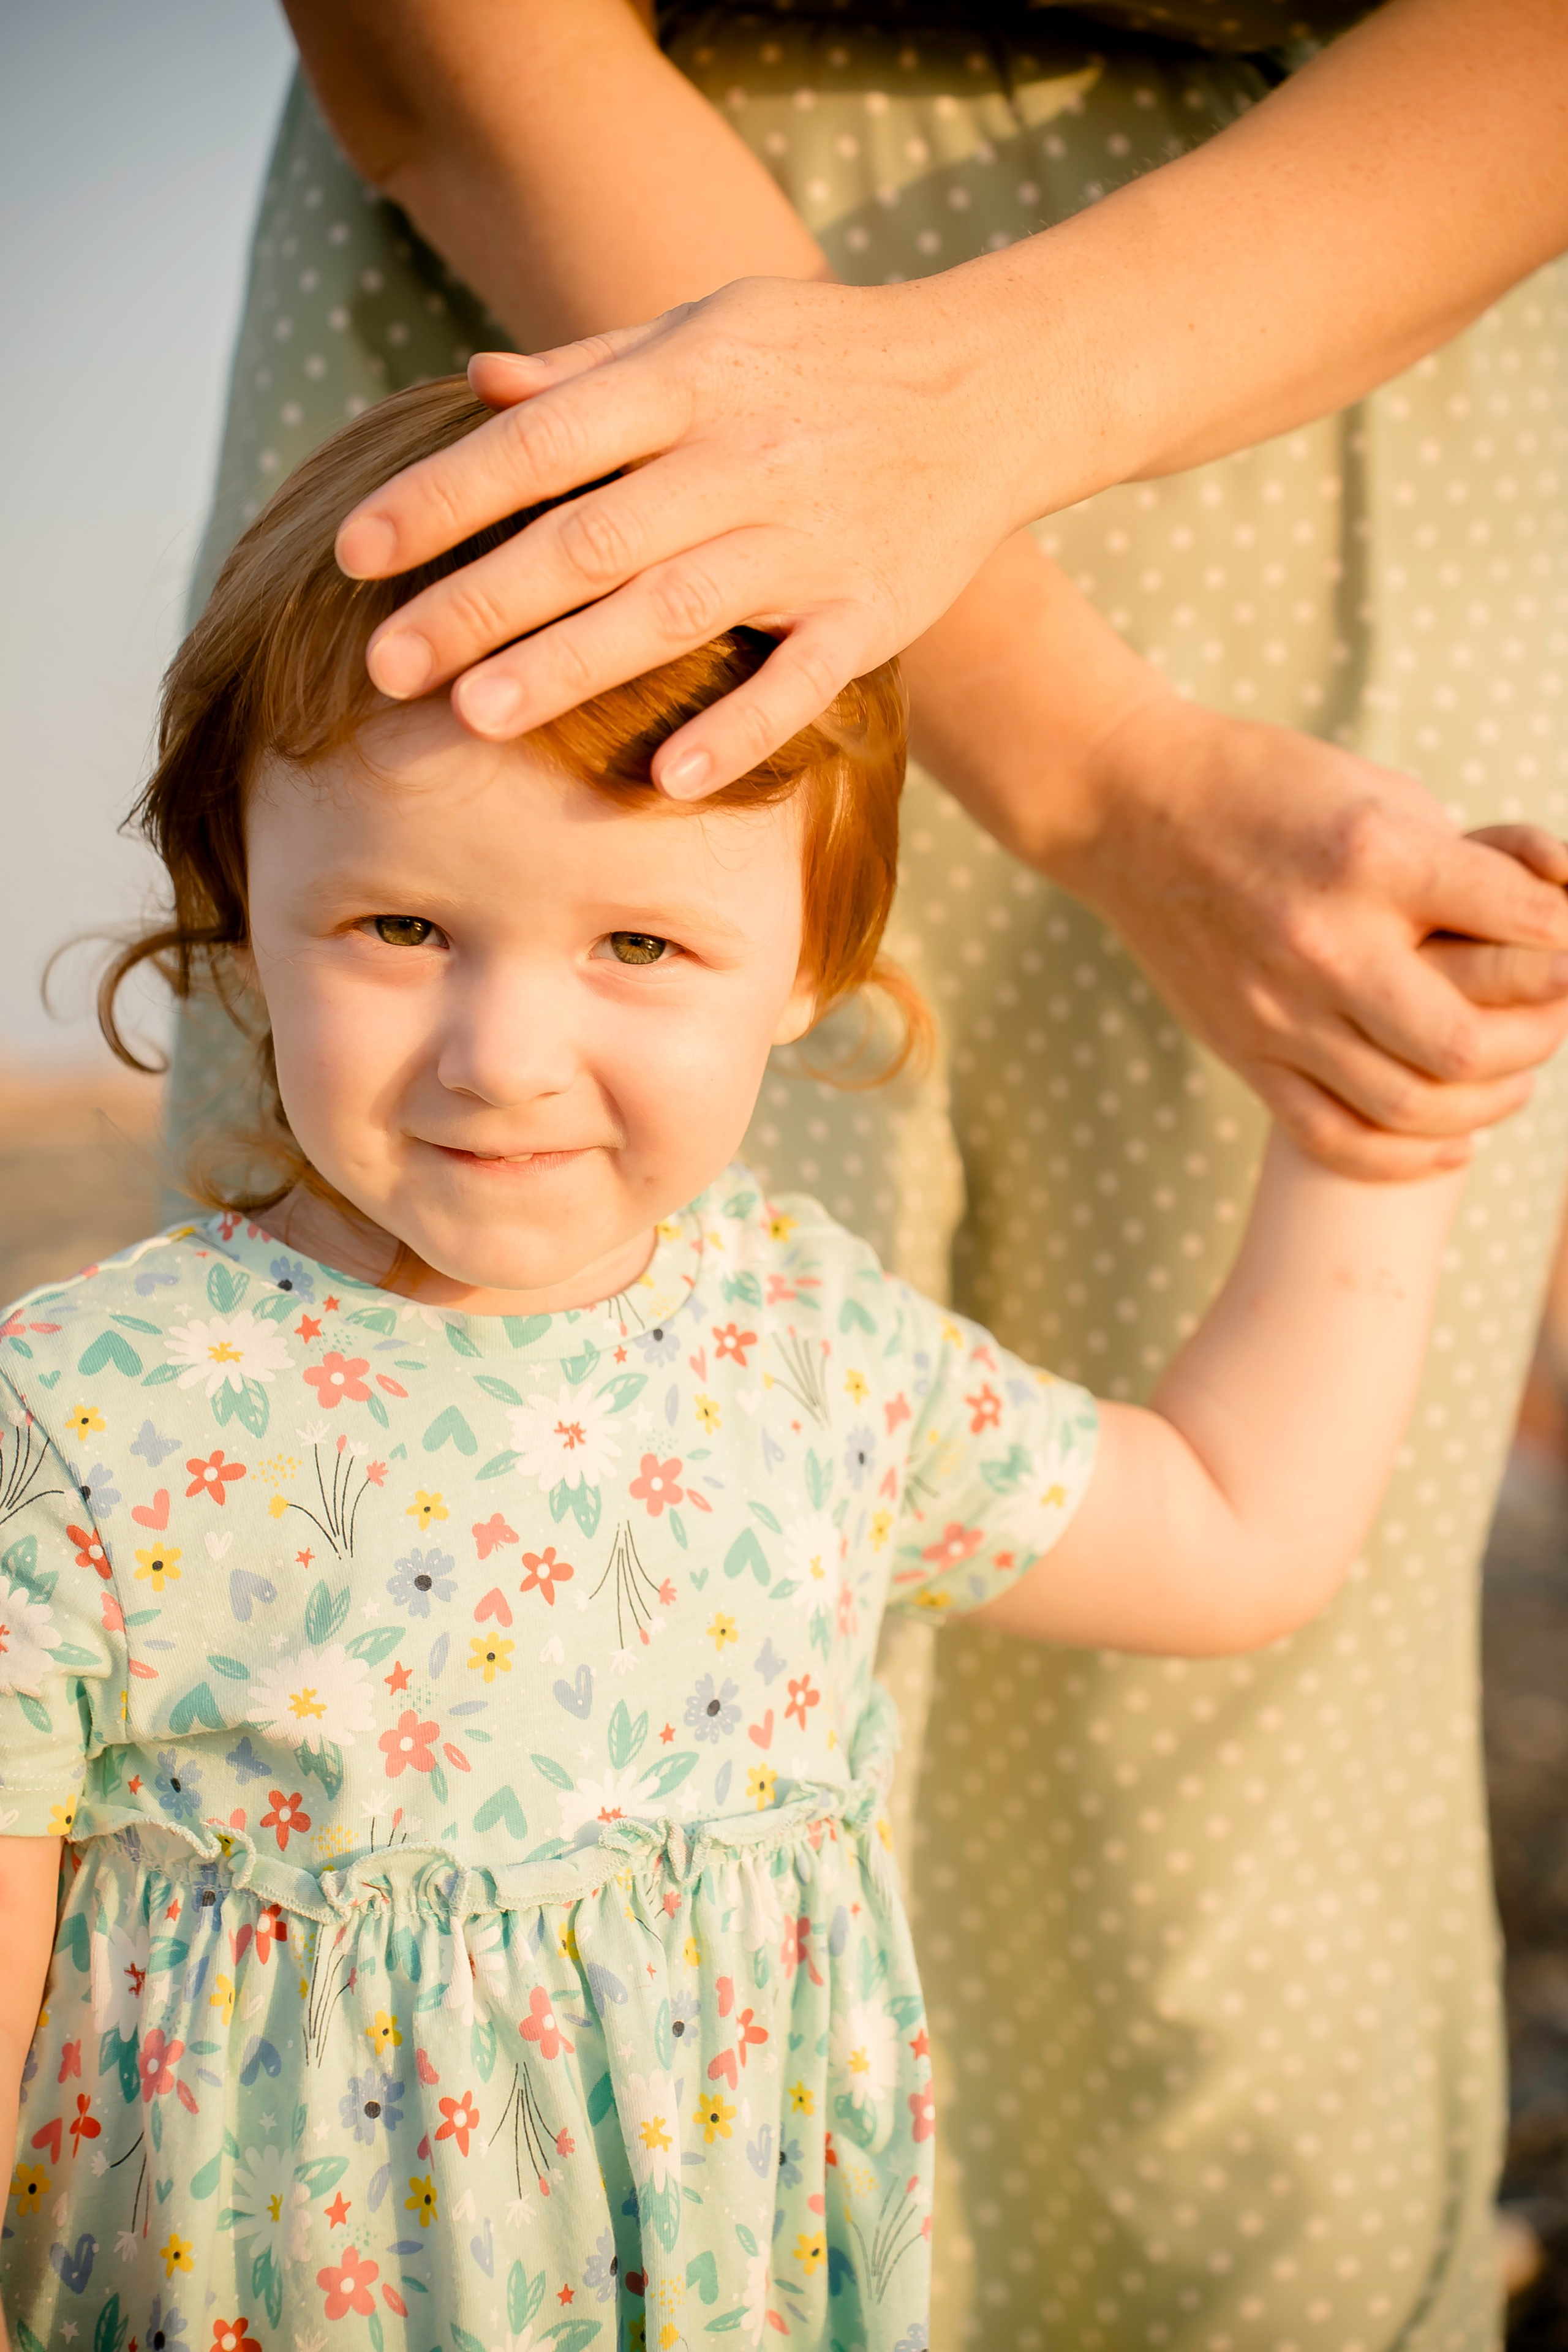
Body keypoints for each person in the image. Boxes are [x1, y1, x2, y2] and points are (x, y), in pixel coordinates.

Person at [165, 3, 1568, 2340]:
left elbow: (1227, 1541)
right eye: (403, 931)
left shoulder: (791, 1355)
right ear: (224, 905)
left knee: (1211, 1915)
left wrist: (1374, 1135)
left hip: (1314, 304)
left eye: (639, 945)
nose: (511, 1057)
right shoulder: (105, 1410)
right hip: (550, 286)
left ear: (824, 965)